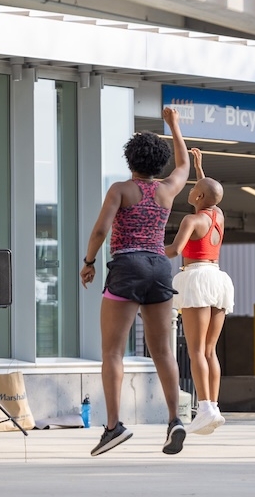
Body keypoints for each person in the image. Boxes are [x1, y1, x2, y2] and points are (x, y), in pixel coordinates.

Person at [80, 107, 190, 457]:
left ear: (130, 160)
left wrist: (89, 262)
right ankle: (175, 419)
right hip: (159, 266)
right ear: (158, 164)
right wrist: (174, 126)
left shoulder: (121, 189)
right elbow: (184, 166)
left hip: (127, 266)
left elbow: (101, 229)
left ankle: (113, 426)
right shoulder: (167, 190)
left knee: (112, 351)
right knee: (162, 351)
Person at [165, 148, 235, 436]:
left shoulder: (190, 221)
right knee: (209, 350)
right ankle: (213, 406)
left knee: (195, 351)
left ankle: (204, 407)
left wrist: (147, 246)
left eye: (194, 188)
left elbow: (174, 251)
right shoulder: (217, 215)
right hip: (218, 278)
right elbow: (210, 194)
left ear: (198, 198)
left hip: (195, 277)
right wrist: (199, 168)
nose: (191, 190)